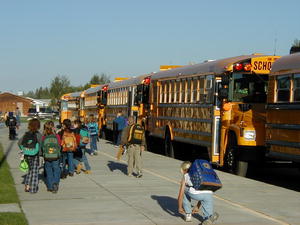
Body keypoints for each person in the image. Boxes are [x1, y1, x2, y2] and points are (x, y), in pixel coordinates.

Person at [18, 118, 42, 193]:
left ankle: (27, 186)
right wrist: (41, 154)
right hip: (35, 155)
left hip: (26, 154)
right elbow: (41, 145)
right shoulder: (38, 135)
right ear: (38, 126)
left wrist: (23, 150)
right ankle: (33, 188)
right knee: (34, 171)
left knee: (30, 170)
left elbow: (19, 143)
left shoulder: (26, 134)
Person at [42, 121, 61, 193]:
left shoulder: (44, 137)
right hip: (56, 156)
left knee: (48, 170)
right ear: (53, 128)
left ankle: (50, 186)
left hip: (47, 157)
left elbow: (42, 146)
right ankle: (55, 183)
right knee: (56, 170)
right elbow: (59, 145)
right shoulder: (57, 136)